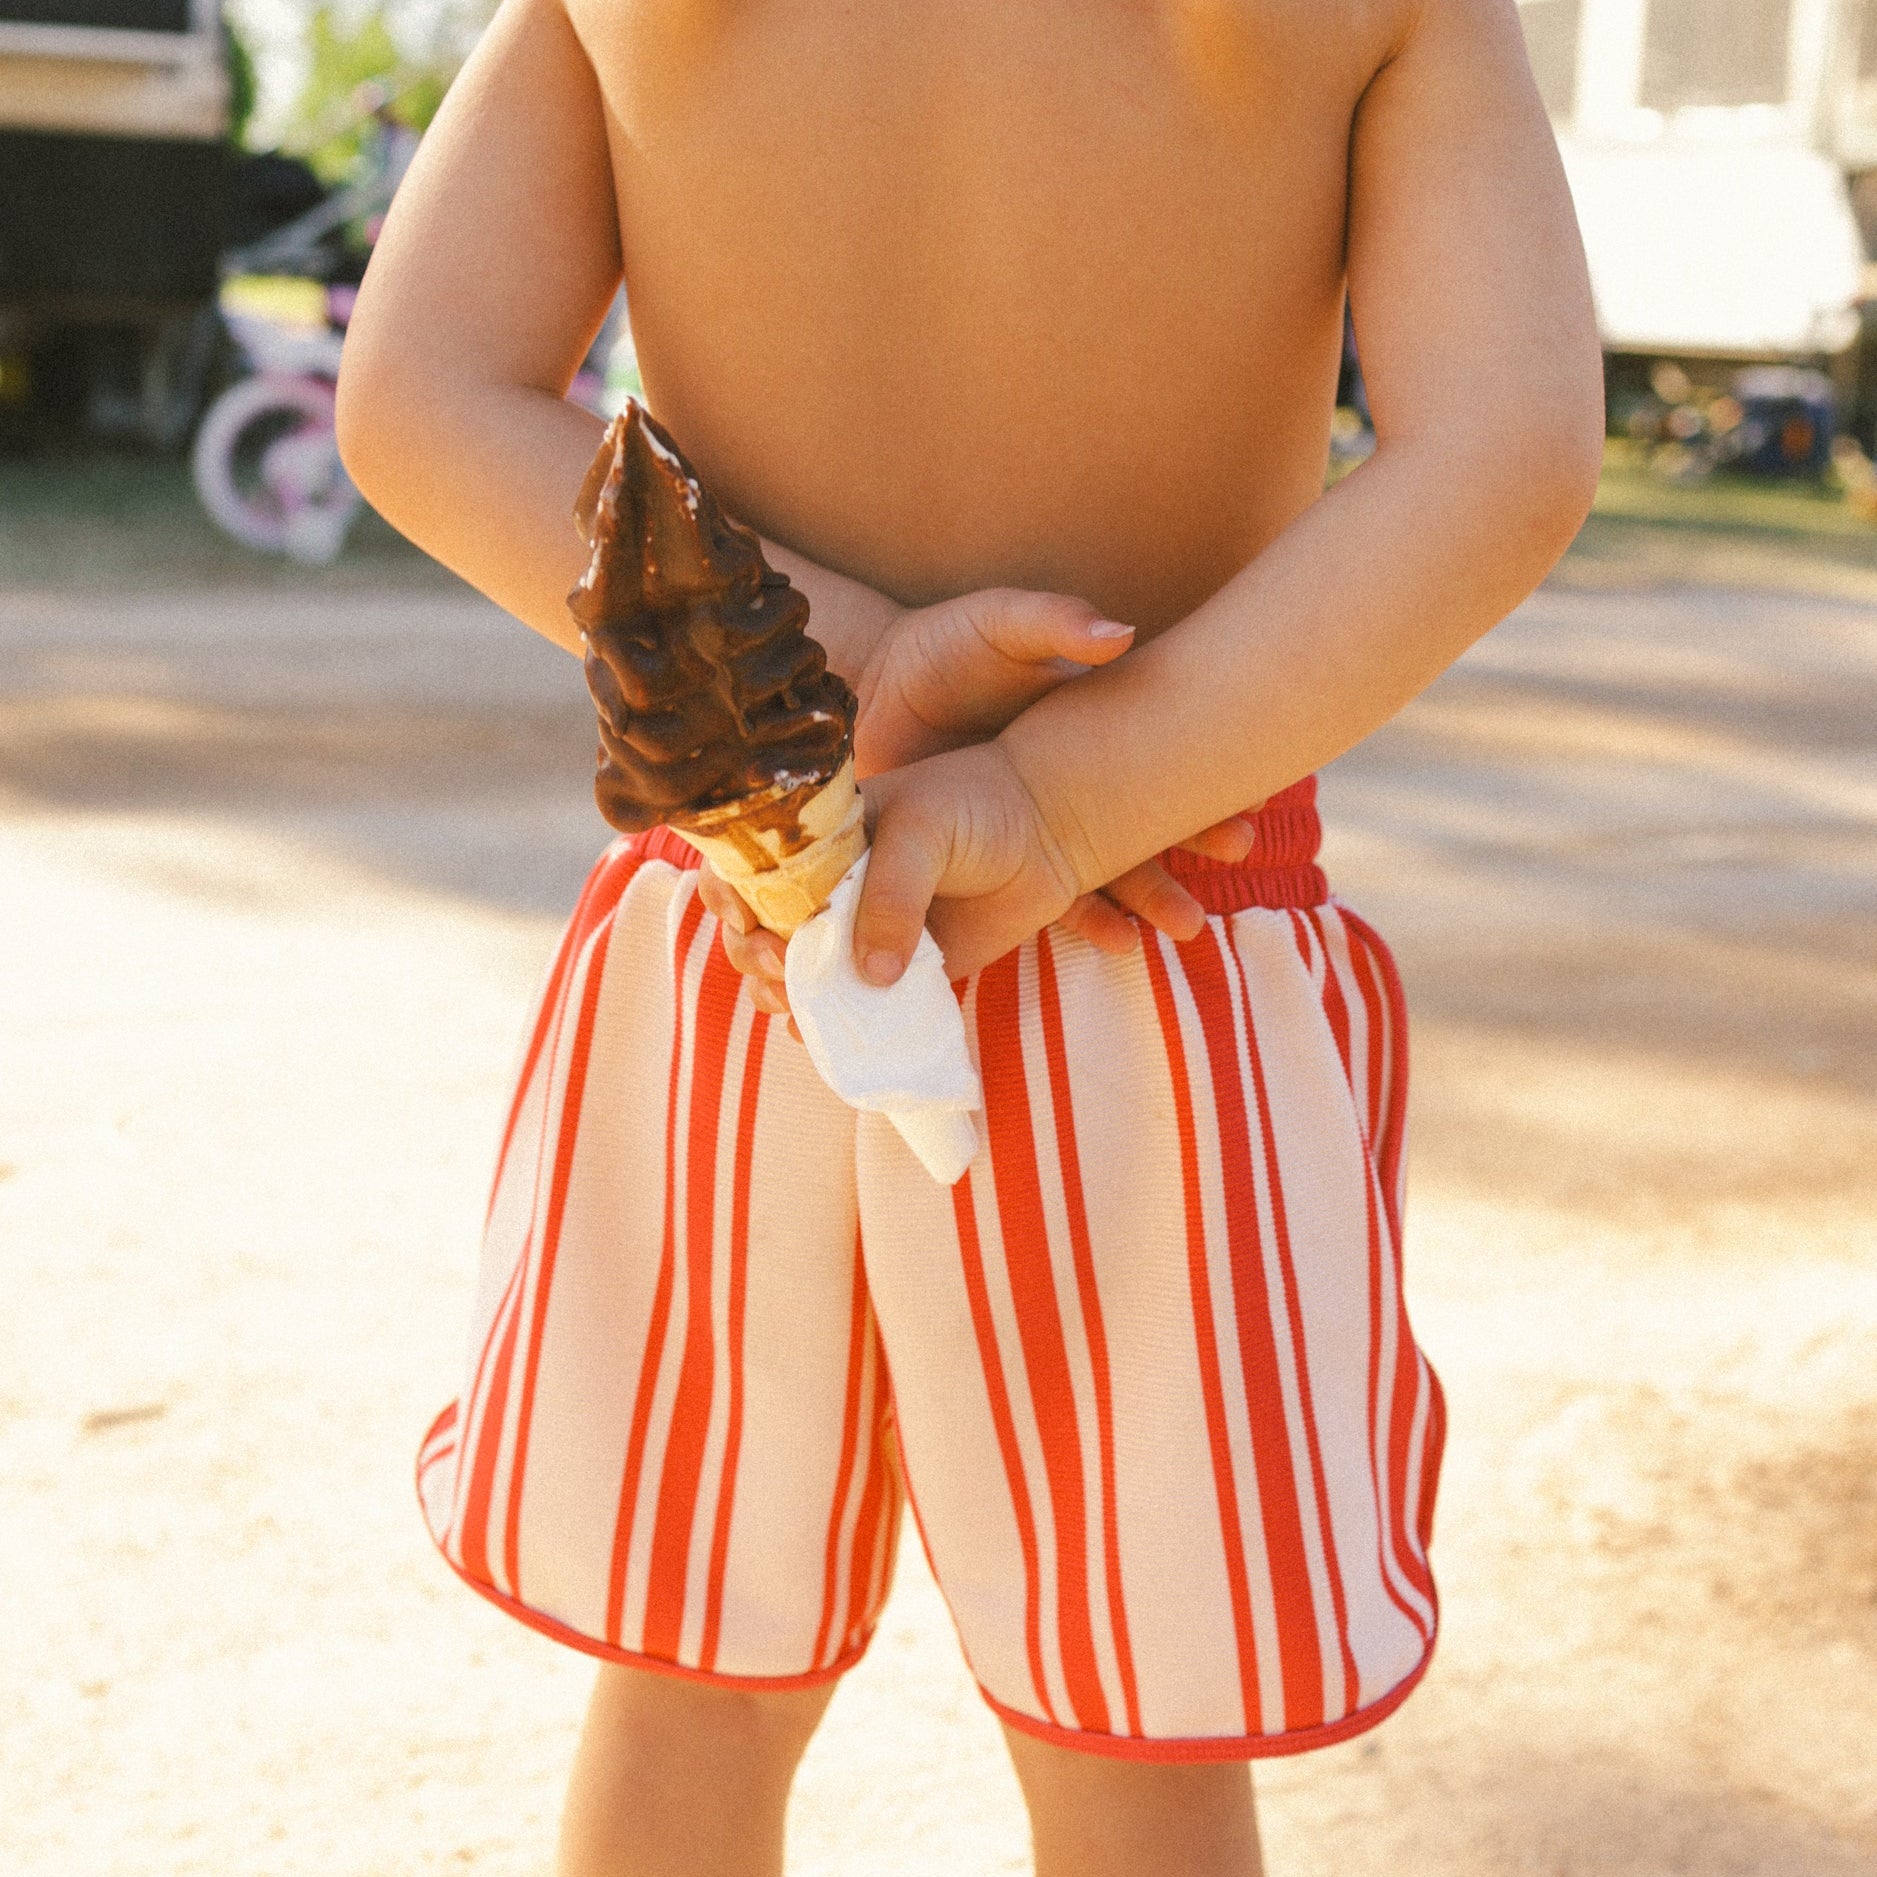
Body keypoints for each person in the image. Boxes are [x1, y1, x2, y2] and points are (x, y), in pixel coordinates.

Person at [335, 0, 1602, 1868]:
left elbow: (419, 394)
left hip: (763, 910)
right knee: (1130, 1728)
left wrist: (821, 669)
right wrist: (1072, 791)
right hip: (1144, 917)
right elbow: (1504, 451)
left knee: (700, 1672)